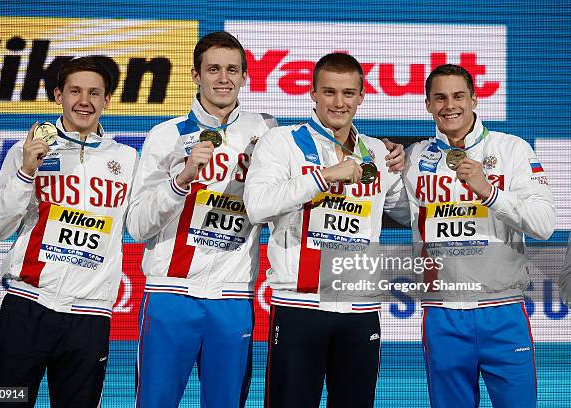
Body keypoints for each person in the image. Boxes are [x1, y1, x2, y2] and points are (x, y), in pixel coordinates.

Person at [244, 52, 408, 407]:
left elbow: (407, 211)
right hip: (300, 304)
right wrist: (323, 177)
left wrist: (409, 164)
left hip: (360, 311)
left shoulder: (378, 152)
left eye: (348, 93)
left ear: (361, 97)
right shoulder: (283, 142)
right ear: (313, 94)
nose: (339, 102)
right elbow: (257, 206)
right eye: (329, 92)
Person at [127, 31, 277, 407]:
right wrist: (180, 182)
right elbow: (137, 226)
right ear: (195, 75)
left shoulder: (269, 133)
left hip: (232, 298)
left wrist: (384, 153)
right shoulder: (166, 136)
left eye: (232, 70)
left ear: (245, 76)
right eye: (213, 69)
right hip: (169, 295)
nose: (223, 78)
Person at [0, 56, 139, 407]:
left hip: (89, 316)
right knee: (4, 402)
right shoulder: (26, 153)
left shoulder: (128, 161)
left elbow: (143, 225)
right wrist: (24, 175)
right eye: (75, 91)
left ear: (107, 100)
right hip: (27, 307)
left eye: (95, 93)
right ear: (58, 95)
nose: (85, 101)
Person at [402, 64, 556, 407]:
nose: (449, 105)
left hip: (503, 313)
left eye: (458, 96)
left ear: (474, 99)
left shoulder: (512, 150)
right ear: (428, 105)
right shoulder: (414, 158)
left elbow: (544, 224)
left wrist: (490, 193)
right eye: (439, 98)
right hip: (442, 315)